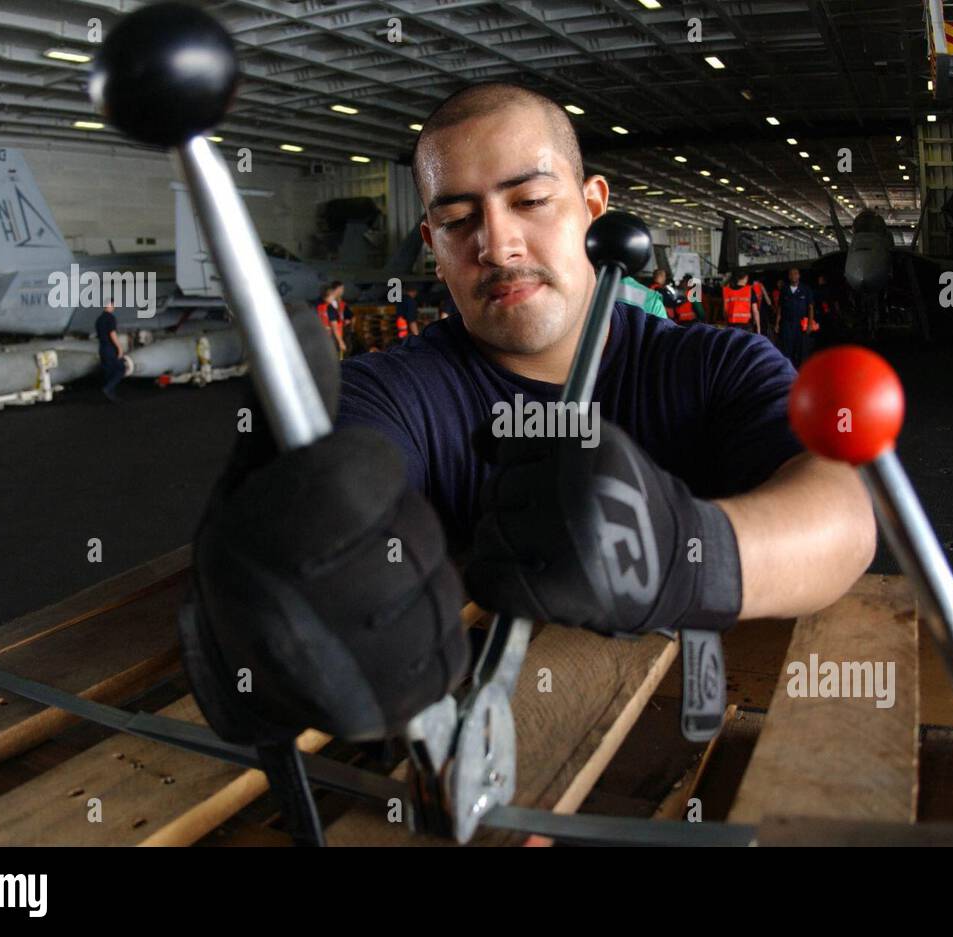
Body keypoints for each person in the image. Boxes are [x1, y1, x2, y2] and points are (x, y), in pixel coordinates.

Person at [189, 81, 876, 743]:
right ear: (431, 245)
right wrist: (275, 584)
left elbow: (844, 517)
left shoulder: (719, 365)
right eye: (458, 220)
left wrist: (677, 555)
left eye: (531, 200)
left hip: (691, 730)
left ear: (593, 206)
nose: (498, 243)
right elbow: (331, 511)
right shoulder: (390, 391)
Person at [774, 267, 814, 365]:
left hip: (800, 324)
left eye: (796, 273)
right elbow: (780, 307)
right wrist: (777, 324)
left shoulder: (806, 289)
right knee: (787, 349)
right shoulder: (784, 290)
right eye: (791, 274)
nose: (793, 276)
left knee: (801, 349)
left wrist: (810, 324)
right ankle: (789, 371)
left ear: (799, 275)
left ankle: (801, 372)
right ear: (788, 276)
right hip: (787, 323)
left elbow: (810, 307)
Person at [94, 301, 125, 402]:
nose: (114, 307)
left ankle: (111, 396)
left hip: (102, 348)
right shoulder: (110, 318)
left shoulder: (98, 319)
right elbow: (112, 334)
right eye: (113, 305)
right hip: (110, 348)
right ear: (109, 306)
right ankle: (107, 389)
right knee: (121, 369)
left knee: (108, 372)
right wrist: (119, 347)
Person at [316, 281, 352, 356]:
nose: (334, 297)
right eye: (332, 295)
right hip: (332, 340)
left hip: (322, 339)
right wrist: (341, 342)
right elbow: (334, 327)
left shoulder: (319, 307)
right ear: (328, 296)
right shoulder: (330, 308)